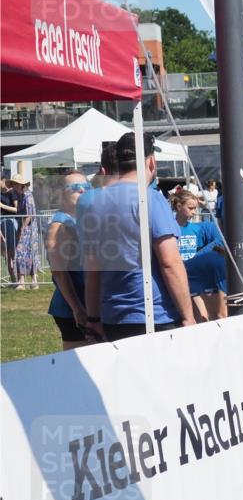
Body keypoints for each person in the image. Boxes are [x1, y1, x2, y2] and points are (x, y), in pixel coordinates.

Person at [80, 131, 195, 341]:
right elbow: (170, 262)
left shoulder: (94, 204)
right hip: (155, 316)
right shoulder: (151, 199)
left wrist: (93, 318)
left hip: (113, 318)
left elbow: (92, 270)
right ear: (151, 162)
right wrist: (188, 316)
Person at [45, 172, 90, 349]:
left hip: (86, 301)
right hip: (71, 307)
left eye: (85, 187)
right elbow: (59, 272)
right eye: (74, 187)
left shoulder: (81, 220)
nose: (81, 190)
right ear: (62, 193)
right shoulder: (60, 226)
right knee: (77, 363)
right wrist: (77, 308)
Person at [172, 190, 227, 322]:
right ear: (179, 206)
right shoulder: (169, 228)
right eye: (190, 208)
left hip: (194, 277)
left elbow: (219, 239)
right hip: (178, 276)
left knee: (202, 319)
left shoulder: (197, 228)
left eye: (195, 208)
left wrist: (197, 257)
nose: (194, 212)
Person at [10, 169, 39, 290]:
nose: (13, 186)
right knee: (21, 253)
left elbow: (29, 214)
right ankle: (22, 281)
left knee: (29, 253)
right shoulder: (20, 195)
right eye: (13, 183)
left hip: (29, 229)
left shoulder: (28, 195)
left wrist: (22, 229)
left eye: (15, 183)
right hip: (24, 228)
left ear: (20, 184)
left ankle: (33, 281)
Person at [1, 177, 18, 280]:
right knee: (5, 253)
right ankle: (13, 278)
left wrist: (2, 206)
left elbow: (16, 209)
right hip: (1, 223)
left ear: (3, 180)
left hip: (10, 222)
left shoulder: (12, 193)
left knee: (11, 252)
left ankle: (17, 278)